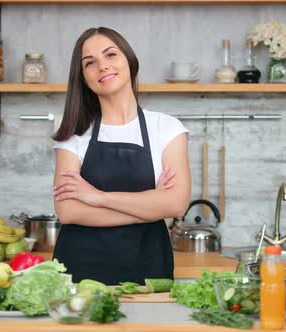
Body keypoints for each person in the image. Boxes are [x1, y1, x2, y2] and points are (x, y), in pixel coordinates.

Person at [51, 27, 191, 285]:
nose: (102, 66)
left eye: (111, 55)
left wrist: (98, 198)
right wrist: (151, 208)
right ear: (83, 77)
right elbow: (68, 211)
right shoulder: (74, 132)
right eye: (90, 63)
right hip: (80, 274)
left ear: (130, 60)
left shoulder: (168, 128)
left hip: (148, 270)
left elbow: (177, 204)